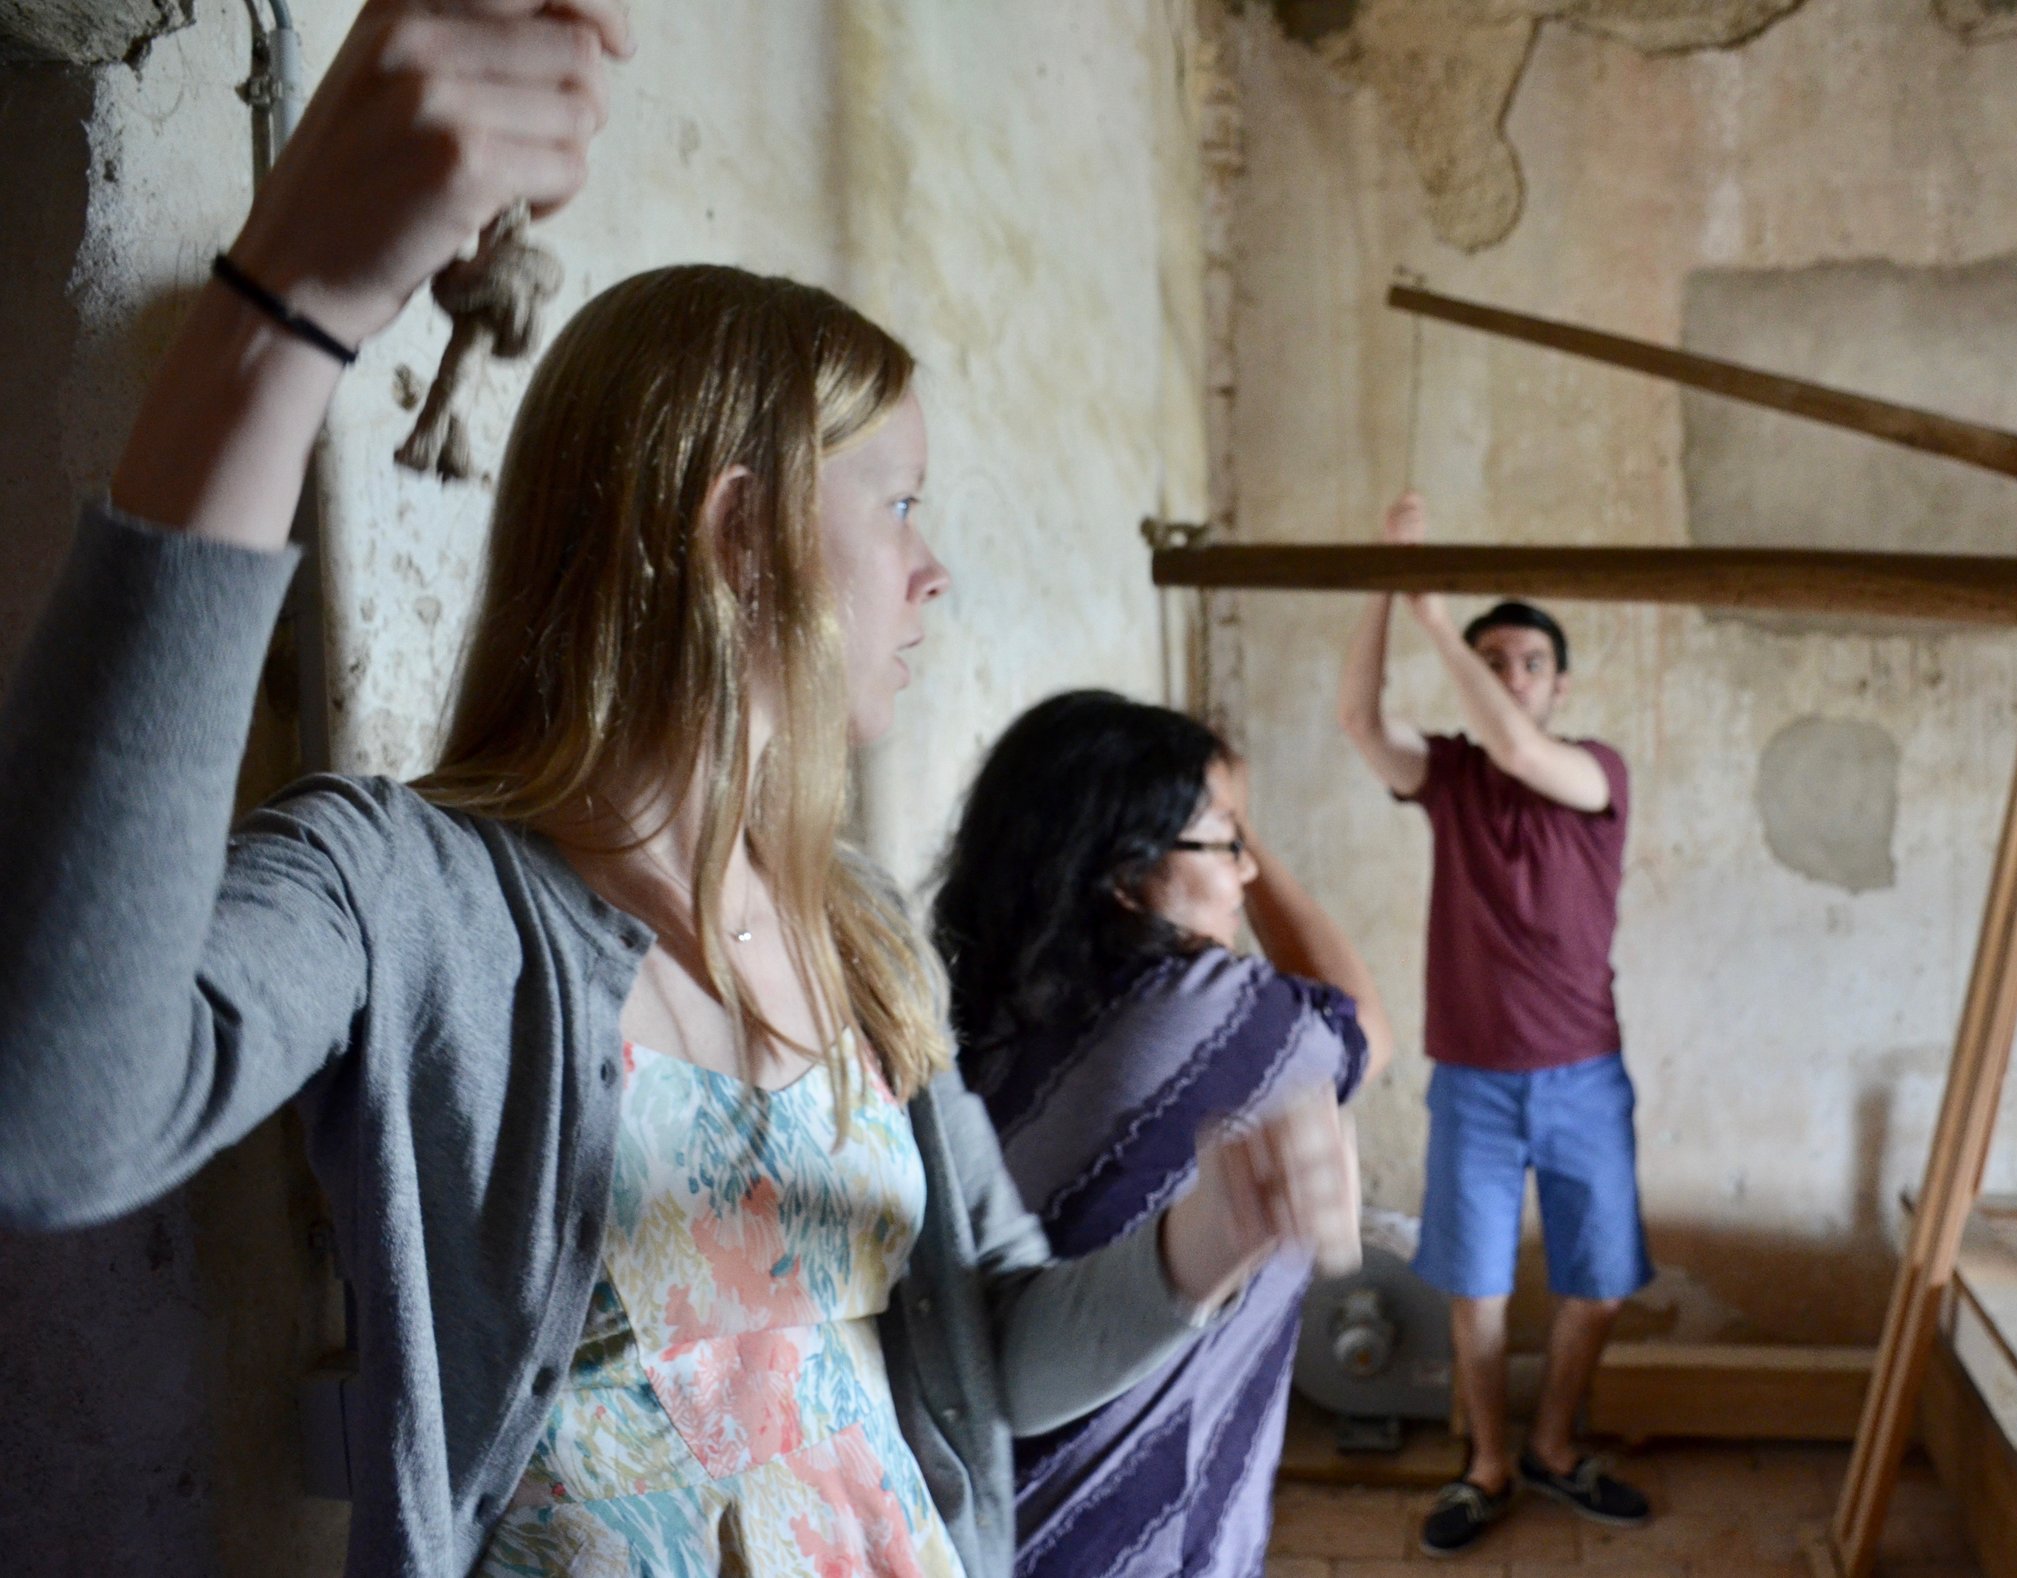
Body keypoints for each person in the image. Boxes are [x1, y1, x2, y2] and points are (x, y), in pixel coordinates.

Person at [0, 5, 1355, 1576]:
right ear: (739, 532)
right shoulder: (410, 887)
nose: (933, 572)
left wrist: (1203, 1240)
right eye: (897, 503)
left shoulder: (862, 942)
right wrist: (285, 308)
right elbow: (53, 1115)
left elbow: (985, 1351)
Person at [929, 691, 1389, 1578]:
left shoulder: (980, 1014)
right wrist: (1253, 829)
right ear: (1128, 872)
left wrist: (1217, 824)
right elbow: (1368, 1025)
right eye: (1225, 841)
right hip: (1141, 1543)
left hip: (988, 1529)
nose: (1246, 870)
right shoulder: (1223, 1019)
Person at [1335, 490, 1653, 1555]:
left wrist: (1440, 616)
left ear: (1558, 684)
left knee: (1597, 1285)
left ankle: (1556, 1449)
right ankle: (1488, 1464)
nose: (1513, 677)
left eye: (1527, 662)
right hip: (1472, 1079)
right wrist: (1397, 584)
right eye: (1494, 659)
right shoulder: (1449, 774)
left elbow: (1521, 751)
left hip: (1584, 1077)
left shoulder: (1592, 772)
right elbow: (1358, 721)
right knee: (1475, 1286)